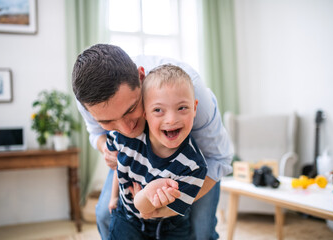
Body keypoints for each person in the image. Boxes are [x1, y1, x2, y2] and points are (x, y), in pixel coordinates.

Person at [72, 44, 233, 240]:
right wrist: (105, 147)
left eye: (130, 110)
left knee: (202, 230)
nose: (126, 130)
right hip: (135, 158)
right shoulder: (86, 101)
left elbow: (219, 159)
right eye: (108, 121)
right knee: (106, 214)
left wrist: (163, 211)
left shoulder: (192, 91)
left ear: (141, 78)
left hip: (196, 167)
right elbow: (95, 133)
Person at [107, 64, 207, 239]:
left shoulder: (194, 166)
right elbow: (119, 165)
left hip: (169, 223)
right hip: (127, 217)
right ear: (144, 113)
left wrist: (145, 200)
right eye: (158, 110)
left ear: (195, 108)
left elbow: (158, 211)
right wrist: (113, 197)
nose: (171, 119)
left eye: (182, 108)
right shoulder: (123, 137)